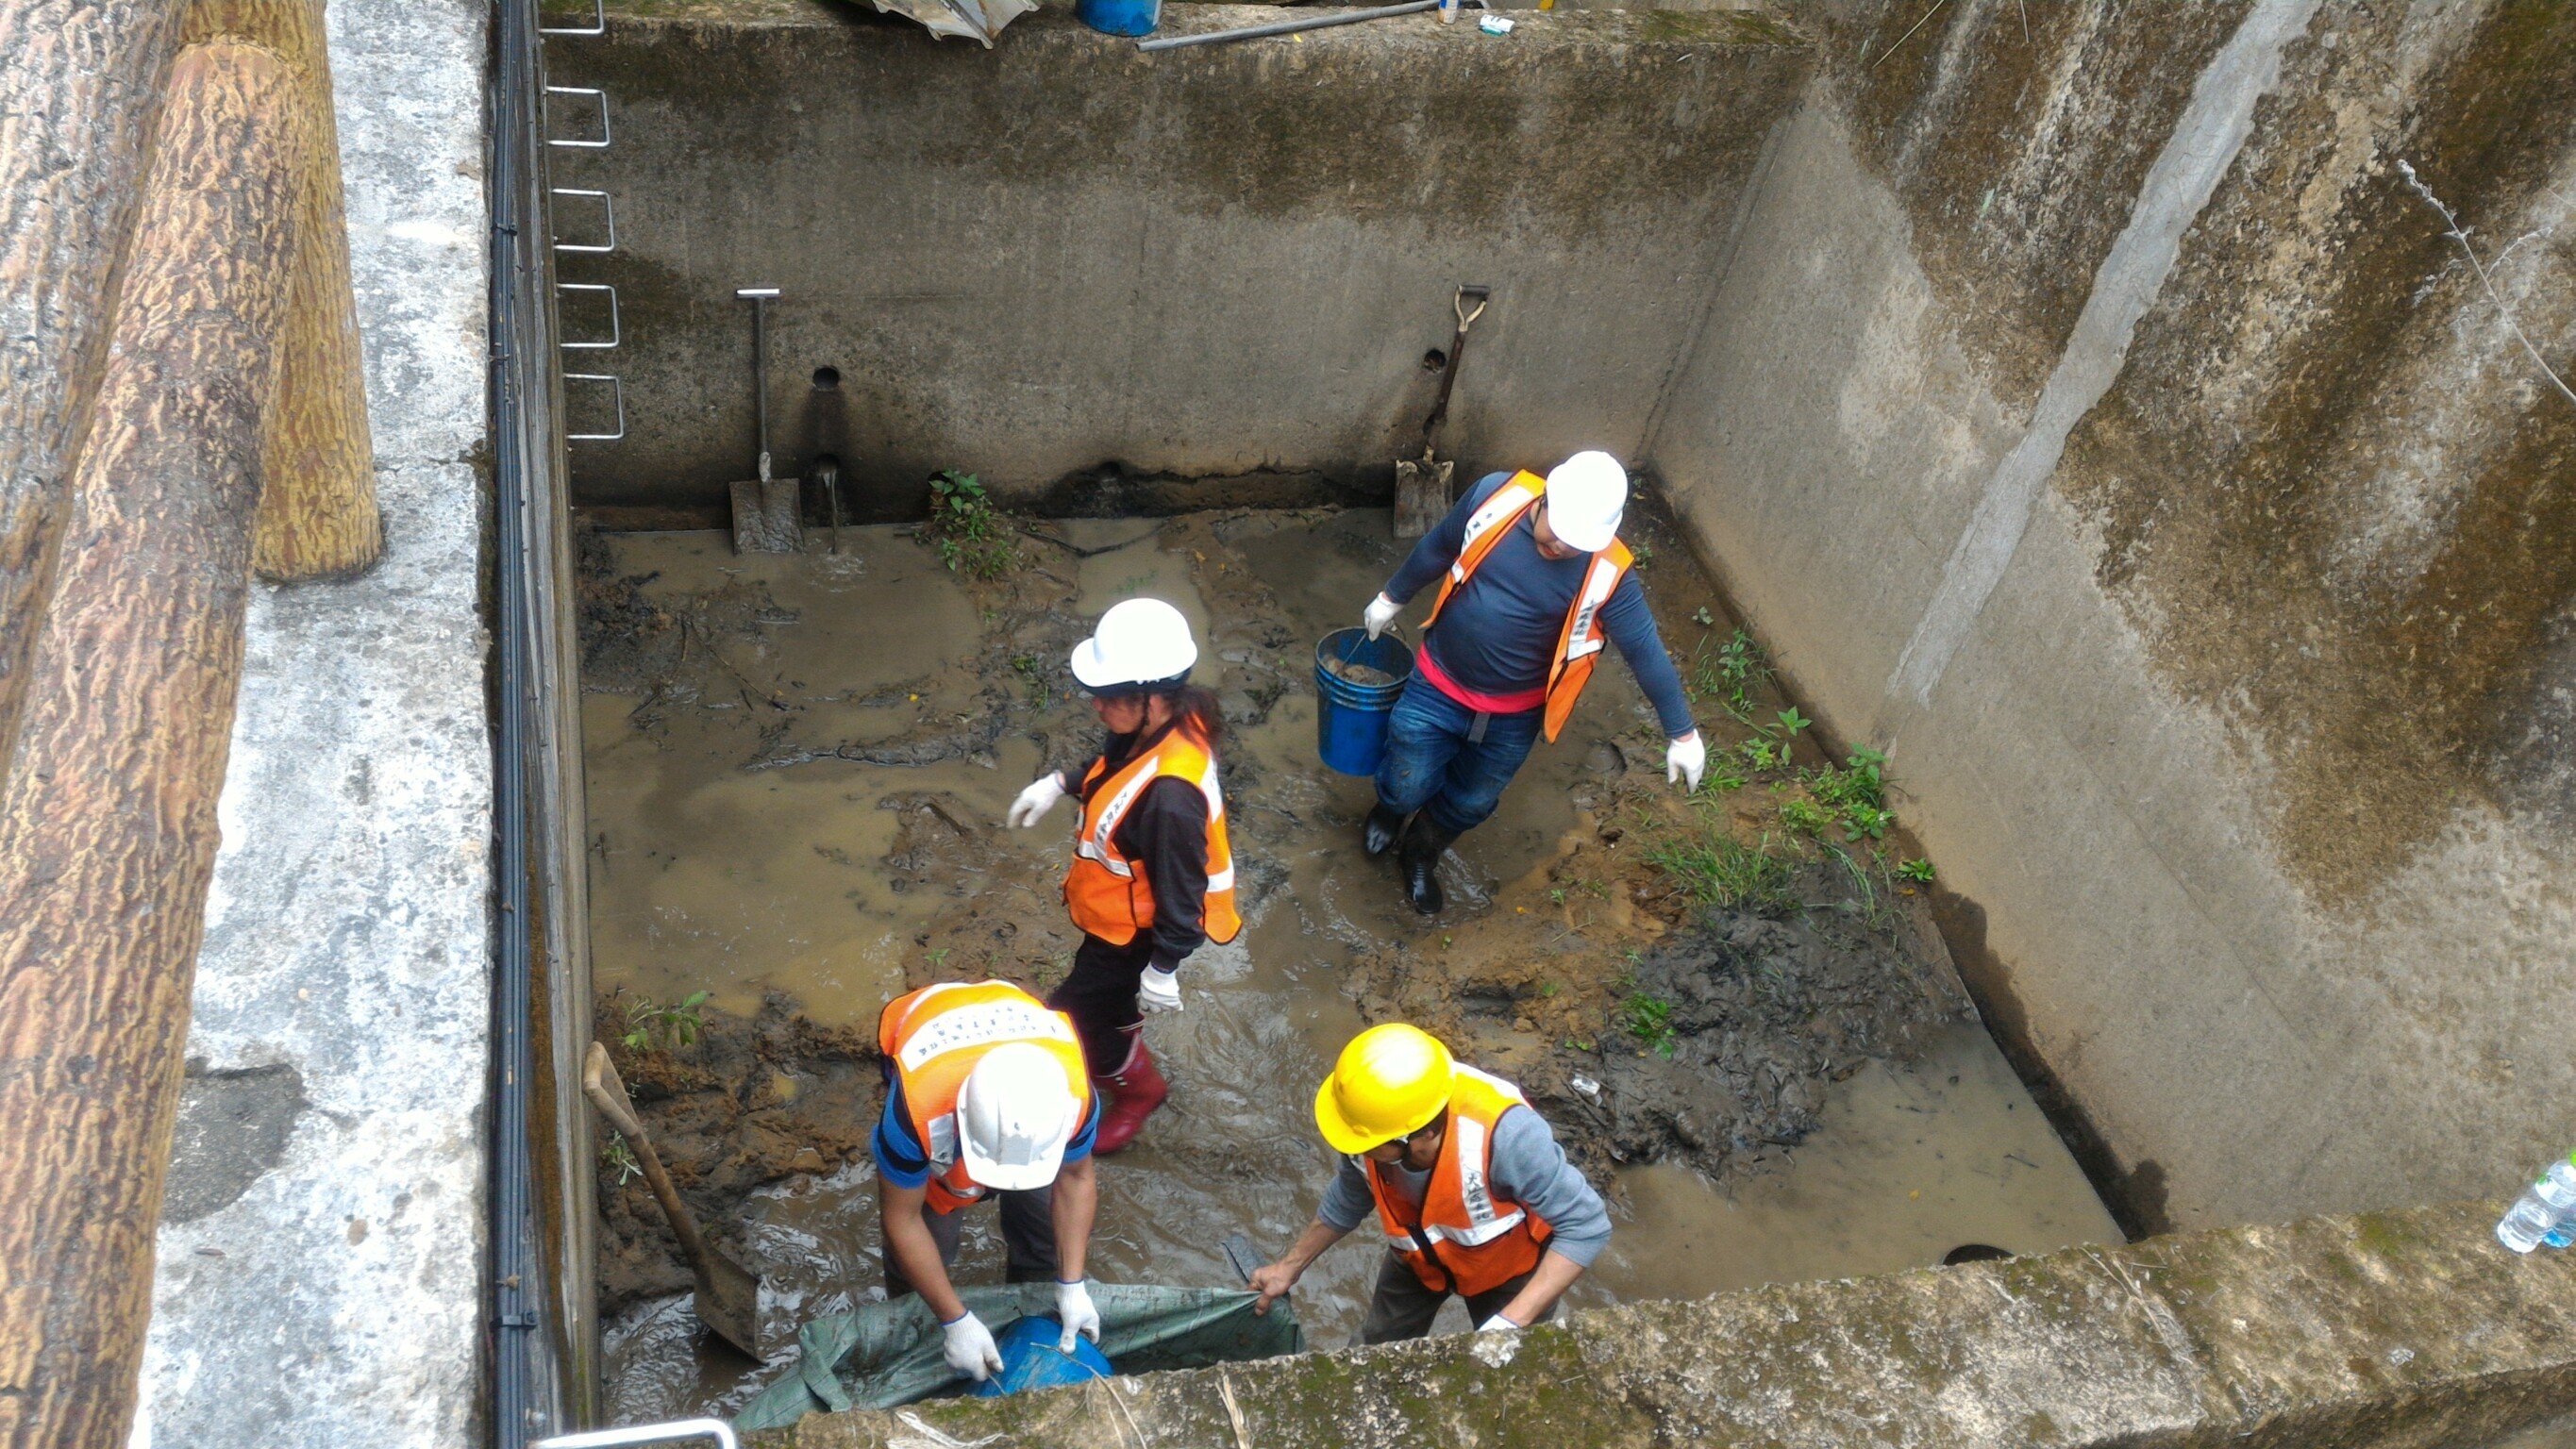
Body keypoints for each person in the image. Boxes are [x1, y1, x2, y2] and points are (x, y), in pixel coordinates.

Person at [1359, 451, 1703, 913]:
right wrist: (1391, 596)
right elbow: (1439, 546)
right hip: (1438, 683)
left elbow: (1645, 650)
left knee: (1472, 801)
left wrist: (1682, 733)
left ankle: (1421, 852)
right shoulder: (1494, 498)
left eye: (1576, 542)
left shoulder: (1609, 574)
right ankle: (1392, 808)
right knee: (1407, 778)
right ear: (1545, 498)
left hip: (1512, 716)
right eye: (1558, 532)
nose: (1562, 547)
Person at [1003, 597, 1240, 1154]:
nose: (1095, 705)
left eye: (1108, 696)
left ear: (1153, 698)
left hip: (1135, 935)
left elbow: (1182, 895)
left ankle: (1139, 1092)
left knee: (1074, 1016)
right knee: (1104, 1006)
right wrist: (1062, 782)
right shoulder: (1165, 724)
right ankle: (1123, 1036)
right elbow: (1116, 769)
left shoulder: (1171, 800)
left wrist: (1163, 967)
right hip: (1115, 916)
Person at [1247, 1024, 1611, 1342]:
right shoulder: (1368, 1124)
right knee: (1377, 1348)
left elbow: (1586, 1226)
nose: (1362, 1154)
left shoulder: (1507, 1137)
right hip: (1417, 1261)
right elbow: (1351, 1192)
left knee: (1514, 1367)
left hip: (1507, 1271)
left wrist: (1512, 1321)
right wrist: (1289, 1267)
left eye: (1372, 1147)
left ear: (1422, 1135)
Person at [872, 979, 1104, 1382]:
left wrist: (1071, 1284)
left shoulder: (1071, 1096)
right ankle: (919, 1328)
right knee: (932, 1232)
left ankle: (1034, 1307)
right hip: (930, 1028)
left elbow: (1076, 1177)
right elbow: (901, 1219)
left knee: (1043, 1231)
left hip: (1010, 1020)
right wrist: (953, 1320)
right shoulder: (915, 1110)